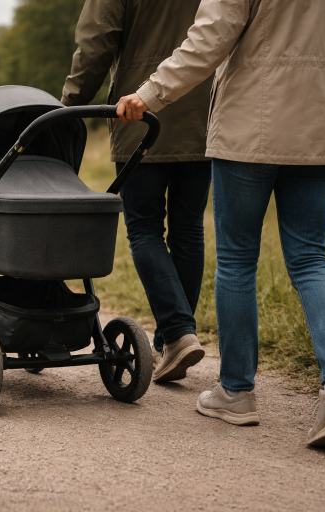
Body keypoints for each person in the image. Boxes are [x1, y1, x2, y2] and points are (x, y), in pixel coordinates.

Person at [116, 0, 325, 446]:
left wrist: (149, 93)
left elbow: (209, 38)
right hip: (320, 123)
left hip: (250, 124)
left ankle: (236, 392)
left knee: (236, 260)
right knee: (311, 259)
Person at [62, 0, 210, 382]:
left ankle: (176, 334)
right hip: (202, 109)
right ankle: (171, 341)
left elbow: (96, 43)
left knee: (144, 228)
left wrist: (68, 108)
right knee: (188, 229)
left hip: (140, 109)